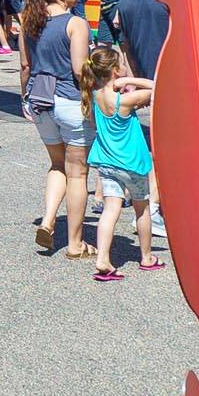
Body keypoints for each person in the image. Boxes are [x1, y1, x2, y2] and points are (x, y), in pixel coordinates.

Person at [22, 0, 94, 258]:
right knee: (78, 174)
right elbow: (79, 69)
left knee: (56, 165)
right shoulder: (75, 23)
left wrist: (23, 99)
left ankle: (49, 219)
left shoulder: (29, 23)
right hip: (69, 100)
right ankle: (75, 244)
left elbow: (25, 66)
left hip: (40, 101)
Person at [81, 45, 161, 280]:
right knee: (142, 208)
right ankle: (146, 257)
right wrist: (131, 79)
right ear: (115, 71)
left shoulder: (94, 96)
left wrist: (119, 82)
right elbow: (158, 86)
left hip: (106, 162)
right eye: (122, 64)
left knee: (110, 209)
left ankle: (103, 258)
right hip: (131, 163)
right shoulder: (124, 100)